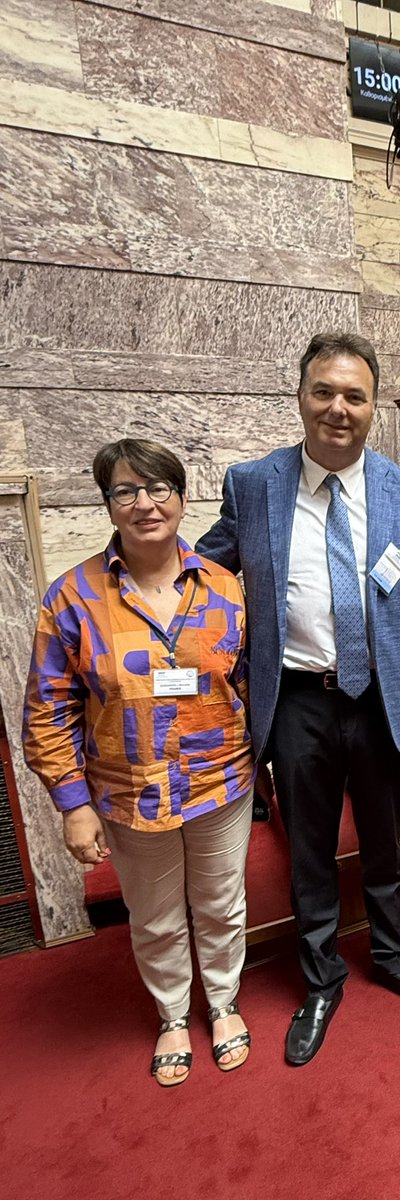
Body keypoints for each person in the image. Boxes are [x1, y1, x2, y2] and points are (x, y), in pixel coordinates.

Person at [198, 331, 400, 1067]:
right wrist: (125, 568)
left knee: (384, 844)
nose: (337, 409)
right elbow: (203, 570)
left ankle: (393, 954)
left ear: (374, 408)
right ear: (301, 396)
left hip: (381, 701)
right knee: (310, 850)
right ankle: (319, 981)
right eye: (324, 392)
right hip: (298, 702)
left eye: (354, 396)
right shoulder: (254, 484)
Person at [22, 439, 255, 1087]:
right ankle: (174, 1016)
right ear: (109, 505)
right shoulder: (72, 598)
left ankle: (225, 1002)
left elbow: (249, 686)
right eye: (126, 491)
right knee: (154, 916)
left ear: (183, 499)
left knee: (220, 903)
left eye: (159, 489)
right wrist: (73, 805)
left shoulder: (225, 588)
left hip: (221, 784)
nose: (145, 504)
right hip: (129, 795)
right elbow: (47, 708)